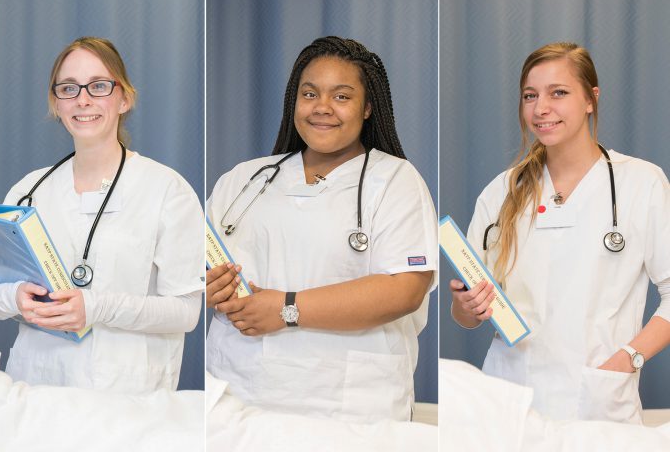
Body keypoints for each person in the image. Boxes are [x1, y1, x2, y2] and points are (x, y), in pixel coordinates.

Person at [206, 36, 437, 423]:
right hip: (240, 396)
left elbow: (404, 290)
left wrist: (286, 308)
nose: (322, 108)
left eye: (342, 97)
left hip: (348, 407)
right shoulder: (243, 180)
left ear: (367, 108)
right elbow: (204, 266)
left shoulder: (395, 180)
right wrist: (210, 286)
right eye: (309, 93)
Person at [450, 42, 670, 423]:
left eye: (559, 93)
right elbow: (468, 313)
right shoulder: (501, 191)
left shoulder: (641, 183)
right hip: (508, 399)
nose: (541, 109)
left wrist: (626, 360)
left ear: (591, 99)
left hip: (596, 403)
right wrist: (465, 307)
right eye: (530, 96)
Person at [0, 37, 204, 394]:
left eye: (98, 86)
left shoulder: (166, 190)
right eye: (69, 88)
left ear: (124, 98)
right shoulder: (28, 191)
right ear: (56, 103)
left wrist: (96, 307)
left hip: (129, 396)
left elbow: (186, 313)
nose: (83, 99)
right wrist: (14, 297)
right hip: (36, 389)